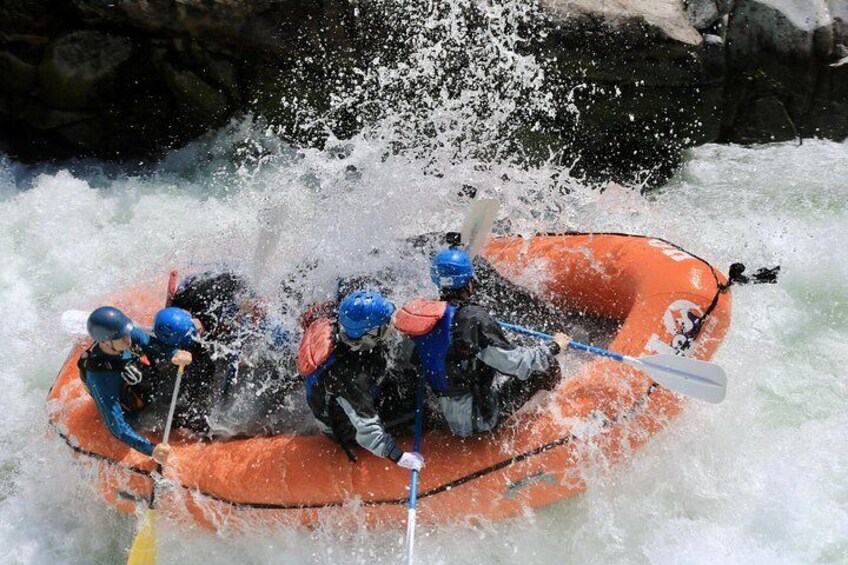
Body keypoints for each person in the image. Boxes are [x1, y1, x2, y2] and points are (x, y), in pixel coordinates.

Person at [395, 246, 569, 438]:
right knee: (547, 365)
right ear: (469, 282)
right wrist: (554, 346)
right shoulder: (473, 319)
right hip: (478, 419)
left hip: (442, 414)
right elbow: (515, 364)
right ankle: (556, 408)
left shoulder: (423, 316)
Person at [298, 290, 424, 471]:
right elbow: (369, 435)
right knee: (423, 408)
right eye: (386, 324)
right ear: (369, 335)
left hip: (348, 394)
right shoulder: (351, 376)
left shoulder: (344, 325)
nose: (392, 324)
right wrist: (399, 457)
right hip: (348, 427)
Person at [78, 306, 193, 463]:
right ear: (105, 342)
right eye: (122, 337)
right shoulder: (101, 378)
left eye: (127, 333)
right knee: (161, 414)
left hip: (135, 383)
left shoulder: (124, 334)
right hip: (131, 411)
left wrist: (174, 354)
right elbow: (117, 426)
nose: (128, 338)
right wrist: (151, 450)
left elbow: (149, 342)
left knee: (168, 367)